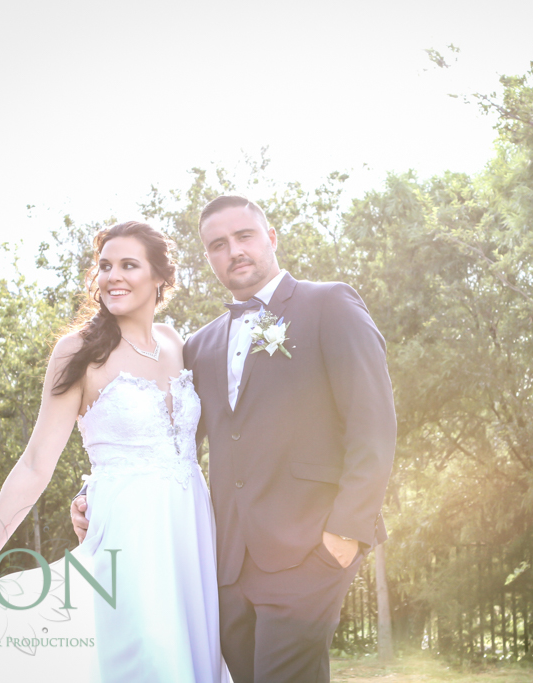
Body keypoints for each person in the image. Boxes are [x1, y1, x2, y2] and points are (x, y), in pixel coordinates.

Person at [73, 196, 397, 683]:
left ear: (271, 238)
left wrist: (347, 531)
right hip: (227, 565)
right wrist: (90, 490)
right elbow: (168, 439)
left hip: (311, 547)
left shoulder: (330, 304)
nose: (234, 251)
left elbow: (373, 422)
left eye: (244, 236)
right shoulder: (200, 345)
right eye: (218, 245)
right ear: (208, 257)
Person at [0, 221, 229, 682]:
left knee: (194, 655)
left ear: (160, 277)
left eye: (128, 265)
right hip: (128, 531)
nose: (112, 276)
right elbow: (36, 463)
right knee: (145, 654)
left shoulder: (175, 343)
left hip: (191, 529)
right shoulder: (77, 351)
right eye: (105, 266)